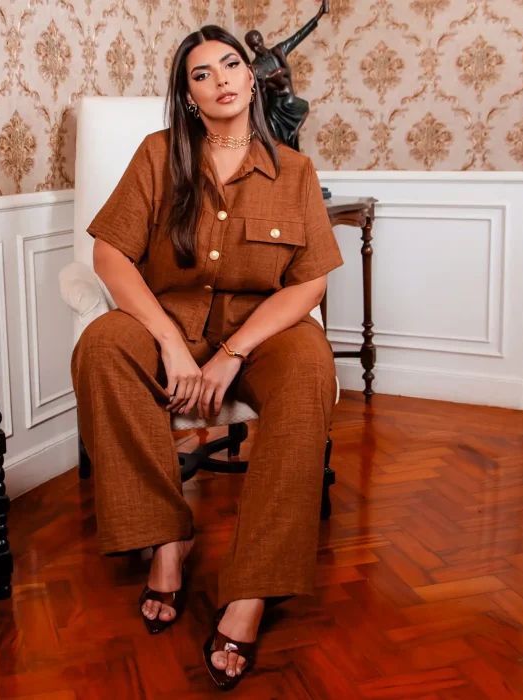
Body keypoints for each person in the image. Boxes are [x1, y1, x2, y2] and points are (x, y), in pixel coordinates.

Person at [71, 24, 343, 691]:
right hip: (170, 320)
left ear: (252, 78)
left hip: (264, 334)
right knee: (102, 344)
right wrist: (169, 341)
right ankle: (168, 537)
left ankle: (252, 589)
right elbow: (110, 253)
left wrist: (230, 355)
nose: (221, 78)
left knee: (311, 369)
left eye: (231, 65)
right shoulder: (158, 155)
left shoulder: (295, 170)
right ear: (189, 95)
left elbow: (309, 282)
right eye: (202, 73)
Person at [245, 3, 329, 150]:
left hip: (289, 102)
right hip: (274, 108)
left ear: (261, 40)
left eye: (258, 43)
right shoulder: (254, 66)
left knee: (292, 138)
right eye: (253, 46)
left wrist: (318, 16)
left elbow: (298, 36)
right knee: (275, 142)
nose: (257, 48)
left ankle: (293, 160)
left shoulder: (278, 51)